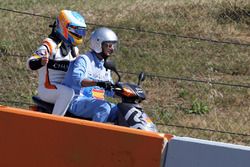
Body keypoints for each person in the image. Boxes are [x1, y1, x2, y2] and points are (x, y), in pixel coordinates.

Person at [27, 10, 87, 116]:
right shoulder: (50, 45)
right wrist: (41, 61)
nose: (79, 34)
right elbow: (30, 63)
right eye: (76, 30)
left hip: (66, 87)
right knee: (68, 93)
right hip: (47, 89)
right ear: (64, 27)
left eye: (82, 31)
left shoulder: (75, 50)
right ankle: (55, 124)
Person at [62, 27, 118, 122]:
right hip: (77, 100)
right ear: (98, 44)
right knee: (104, 107)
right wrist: (98, 83)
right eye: (108, 45)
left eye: (113, 46)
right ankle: (95, 136)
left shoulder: (105, 66)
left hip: (95, 103)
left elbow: (110, 91)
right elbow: (78, 80)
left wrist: (124, 93)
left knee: (120, 110)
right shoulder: (84, 60)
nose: (112, 49)